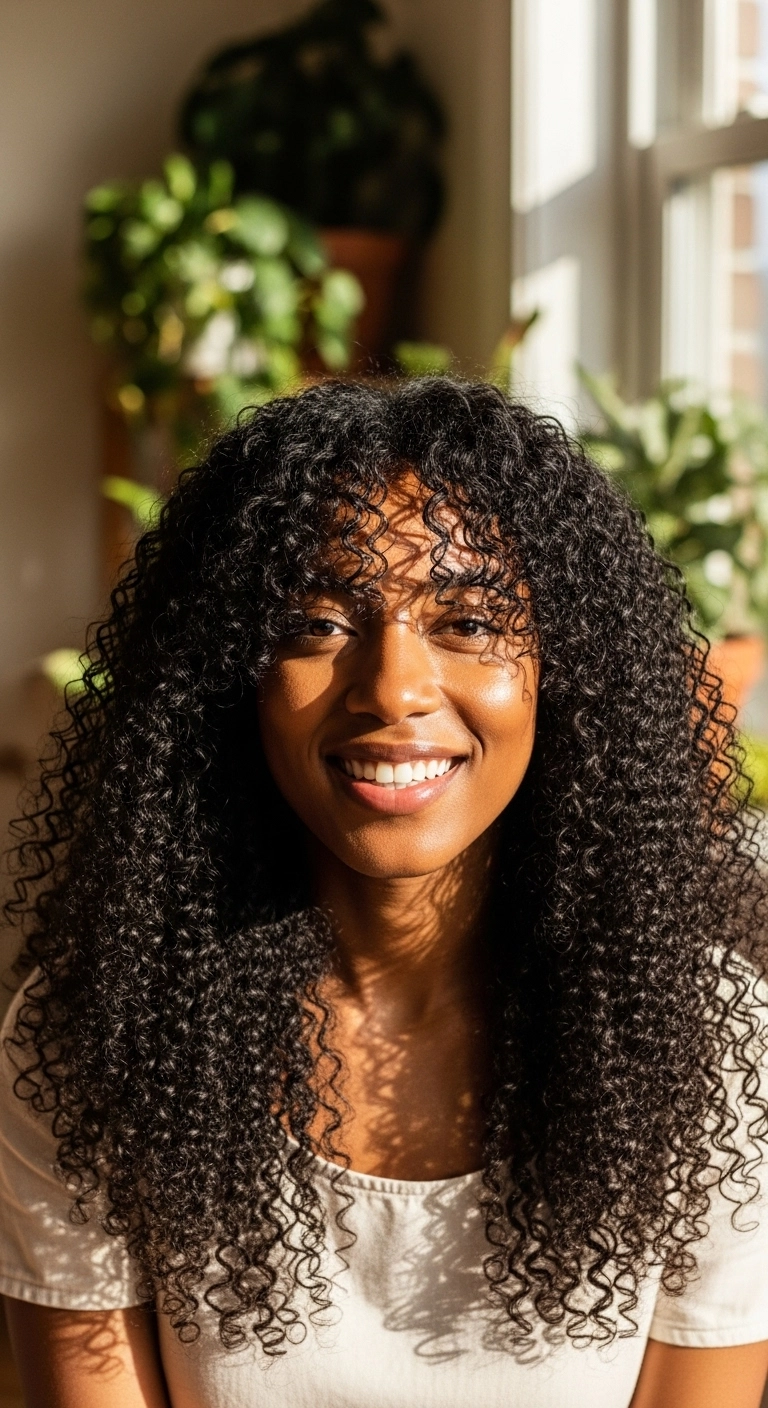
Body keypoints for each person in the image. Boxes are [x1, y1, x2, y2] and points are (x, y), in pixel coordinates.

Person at [0, 378, 767, 1408]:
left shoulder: (707, 1046)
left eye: (468, 619)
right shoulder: (94, 1038)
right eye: (317, 621)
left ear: (564, 667)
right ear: (230, 677)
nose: (393, 686)